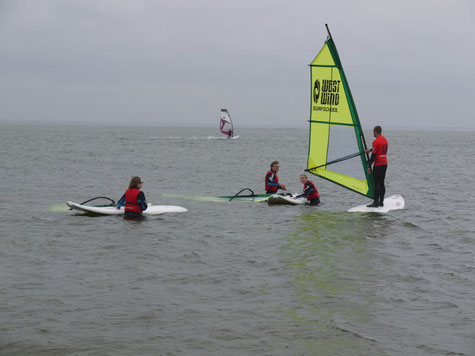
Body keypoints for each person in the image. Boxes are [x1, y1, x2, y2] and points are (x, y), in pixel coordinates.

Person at [365, 126, 388, 207]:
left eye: (373, 132)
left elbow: (374, 155)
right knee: (382, 183)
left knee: (377, 183)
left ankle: (375, 202)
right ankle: (381, 202)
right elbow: (378, 150)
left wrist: (369, 165)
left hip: (378, 165)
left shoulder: (376, 141)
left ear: (375, 131)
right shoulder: (385, 140)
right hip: (384, 164)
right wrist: (370, 149)